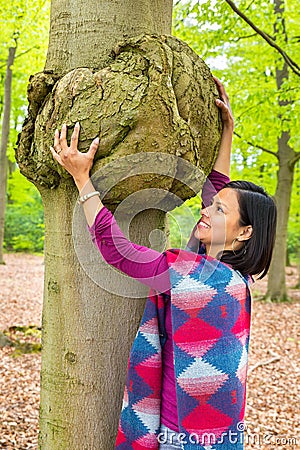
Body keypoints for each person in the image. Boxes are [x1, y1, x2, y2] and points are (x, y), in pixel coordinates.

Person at [50, 79, 277, 450]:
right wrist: (227, 132)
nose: (206, 209)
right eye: (211, 204)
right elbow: (216, 188)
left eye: (219, 210)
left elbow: (118, 250)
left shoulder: (191, 280)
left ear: (244, 232)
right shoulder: (237, 278)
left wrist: (82, 178)